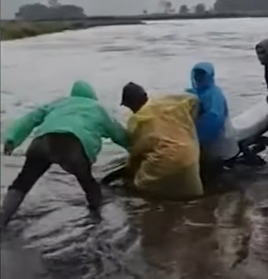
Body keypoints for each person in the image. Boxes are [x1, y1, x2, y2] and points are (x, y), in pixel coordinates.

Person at [1, 80, 128, 228]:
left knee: (22, 182)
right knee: (88, 184)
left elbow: (28, 120)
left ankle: (3, 219)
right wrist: (137, 149)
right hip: (74, 145)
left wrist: (12, 139)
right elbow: (118, 134)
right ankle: (97, 221)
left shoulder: (58, 103)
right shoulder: (97, 108)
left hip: (43, 142)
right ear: (92, 96)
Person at [121, 82, 203, 199]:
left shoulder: (138, 121)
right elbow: (194, 100)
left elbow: (136, 150)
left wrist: (129, 166)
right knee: (190, 190)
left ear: (131, 104)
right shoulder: (166, 102)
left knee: (141, 184)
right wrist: (191, 122)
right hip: (191, 153)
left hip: (167, 159)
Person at [186, 62, 239, 177]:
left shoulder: (215, 95)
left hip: (220, 145)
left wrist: (195, 139)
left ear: (209, 76)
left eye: (202, 75)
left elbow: (214, 121)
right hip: (205, 143)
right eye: (196, 74)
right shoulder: (192, 93)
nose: (198, 77)